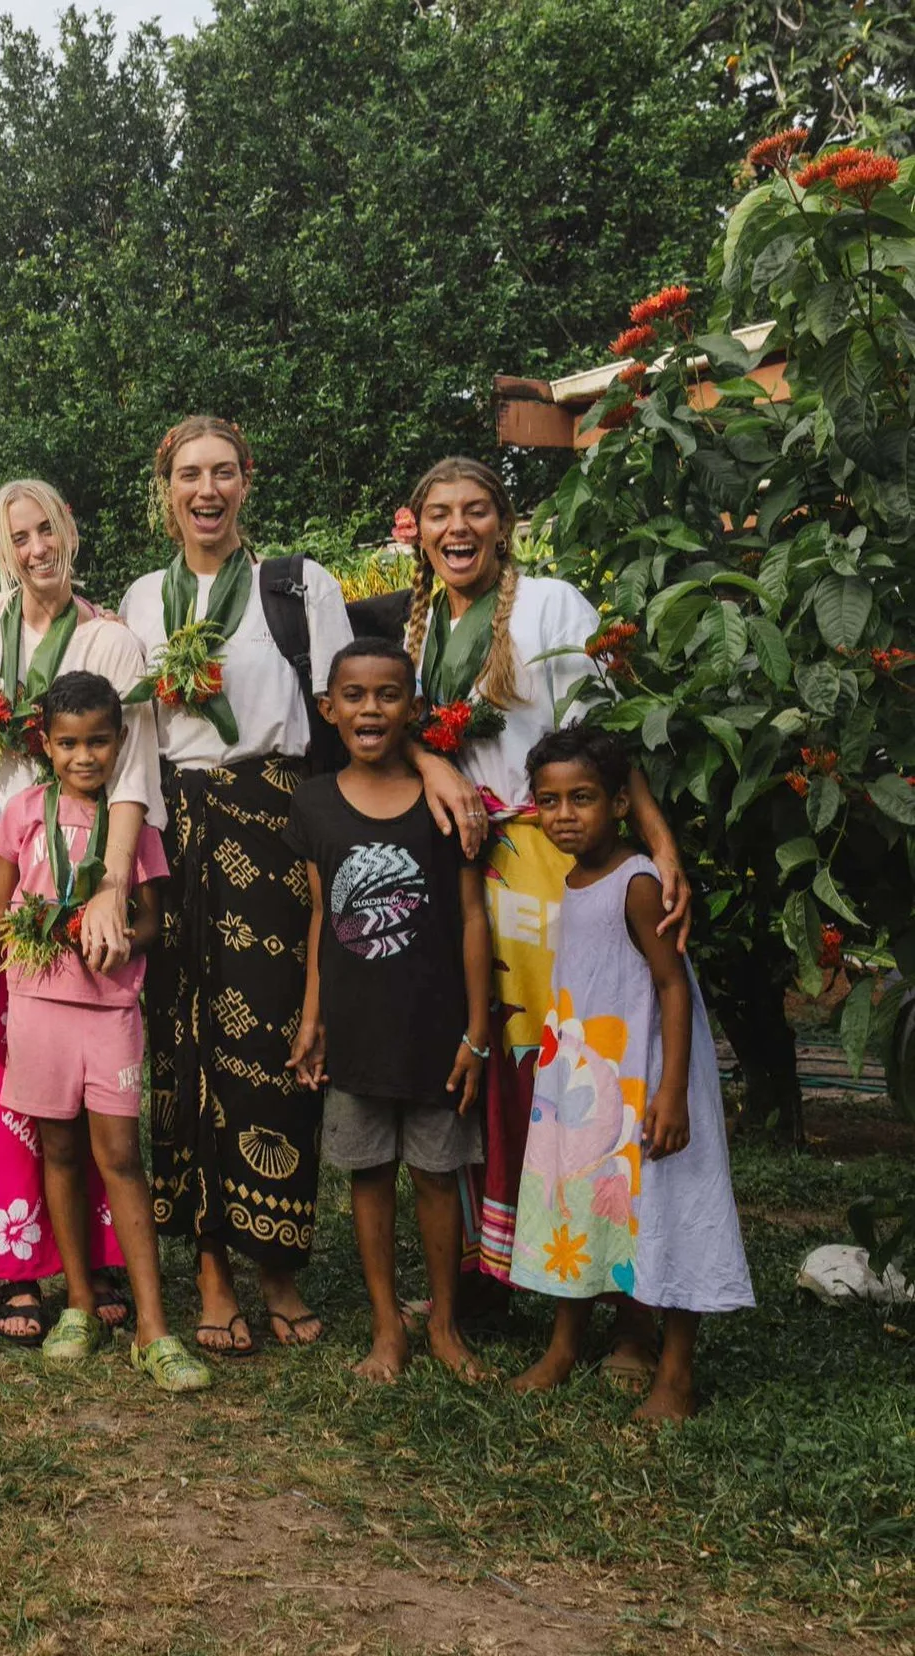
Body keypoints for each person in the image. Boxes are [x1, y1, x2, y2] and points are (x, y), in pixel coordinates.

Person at [120, 416, 484, 1359]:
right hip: (176, 830)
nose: (208, 490)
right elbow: (128, 742)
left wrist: (436, 768)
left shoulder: (296, 584)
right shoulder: (139, 602)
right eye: (190, 476)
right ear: (166, 491)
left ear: (247, 482)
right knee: (187, 1049)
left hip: (276, 824)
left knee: (281, 1045)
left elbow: (352, 711)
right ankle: (209, 1265)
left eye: (224, 474)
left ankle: (276, 1263)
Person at [393, 458, 692, 1375]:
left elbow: (603, 743)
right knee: (496, 1076)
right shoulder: (423, 624)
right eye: (440, 513)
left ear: (504, 522)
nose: (458, 529)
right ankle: (503, 1268)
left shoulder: (550, 605)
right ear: (419, 528)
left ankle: (632, 1312)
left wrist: (657, 842)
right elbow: (400, 727)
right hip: (471, 873)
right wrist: (433, 764)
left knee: (593, 1070)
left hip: (555, 863)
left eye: (475, 510)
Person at [0, 480, 156, 1346]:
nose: (35, 548)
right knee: (3, 1085)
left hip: (82, 896)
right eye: (17, 535)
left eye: (46, 528)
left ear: (70, 532)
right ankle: (19, 1268)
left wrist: (111, 888)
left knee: (87, 1089)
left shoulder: (109, 640)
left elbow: (131, 773)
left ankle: (94, 1268)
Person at [0, 673, 207, 1390]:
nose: (83, 757)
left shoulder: (138, 825)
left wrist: (122, 942)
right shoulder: (23, 813)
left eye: (99, 741)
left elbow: (154, 921)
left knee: (121, 1158)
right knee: (61, 1153)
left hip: (111, 1016)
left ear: (118, 740)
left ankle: (154, 1327)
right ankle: (75, 1301)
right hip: (38, 1010)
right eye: (68, 743)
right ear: (44, 743)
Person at [505, 727, 751, 1422]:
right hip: (588, 1078)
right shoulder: (574, 877)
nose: (563, 815)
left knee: (669, 1210)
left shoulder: (638, 881)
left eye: (581, 798)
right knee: (578, 1206)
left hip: (647, 1076)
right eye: (548, 801)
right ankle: (564, 1346)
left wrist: (671, 1092)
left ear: (619, 802)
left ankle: (674, 1375)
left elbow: (673, 988)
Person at [287, 639, 494, 1384]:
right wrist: (313, 1019)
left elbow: (474, 918)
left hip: (437, 1030)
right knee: (368, 1175)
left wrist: (478, 1029)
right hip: (357, 1030)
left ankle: (442, 1323)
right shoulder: (313, 801)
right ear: (328, 708)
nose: (369, 708)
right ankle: (386, 1327)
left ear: (412, 708)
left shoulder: (448, 801)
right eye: (354, 695)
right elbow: (320, 915)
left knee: (438, 1178)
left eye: (386, 695)